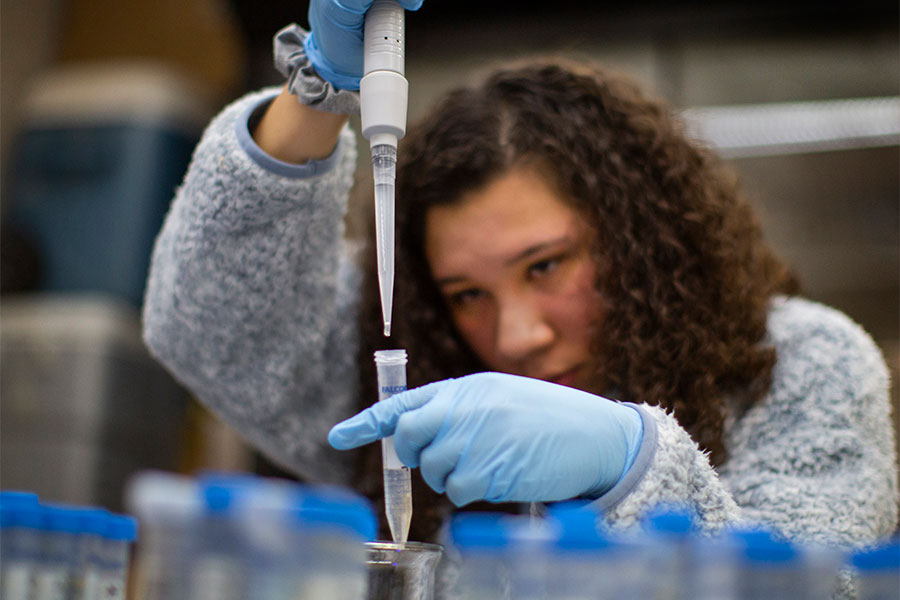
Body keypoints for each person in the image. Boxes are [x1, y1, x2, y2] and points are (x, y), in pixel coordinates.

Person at [142, 1, 898, 596]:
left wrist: (632, 465)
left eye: (544, 266)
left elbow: (828, 588)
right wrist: (318, 86)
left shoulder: (802, 364)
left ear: (640, 236)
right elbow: (214, 330)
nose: (516, 335)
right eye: (467, 293)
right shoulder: (427, 370)